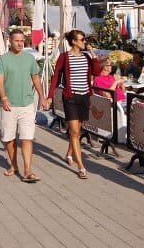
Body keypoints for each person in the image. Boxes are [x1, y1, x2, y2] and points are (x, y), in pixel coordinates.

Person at [0, 29, 45, 182]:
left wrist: (42, 97)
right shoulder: (3, 60)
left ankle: (28, 170)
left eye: (22, 41)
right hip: (9, 105)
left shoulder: (29, 58)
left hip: (27, 104)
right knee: (9, 138)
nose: (20, 43)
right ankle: (14, 165)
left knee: (27, 138)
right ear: (10, 41)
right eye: (17, 41)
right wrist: (3, 98)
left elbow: (35, 78)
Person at [48, 29, 101, 179]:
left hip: (84, 97)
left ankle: (69, 154)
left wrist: (93, 53)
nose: (85, 42)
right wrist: (50, 96)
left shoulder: (86, 57)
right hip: (70, 98)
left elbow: (97, 72)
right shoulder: (64, 57)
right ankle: (81, 167)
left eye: (84, 39)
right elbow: (55, 77)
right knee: (75, 131)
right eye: (82, 39)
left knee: (77, 131)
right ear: (74, 42)